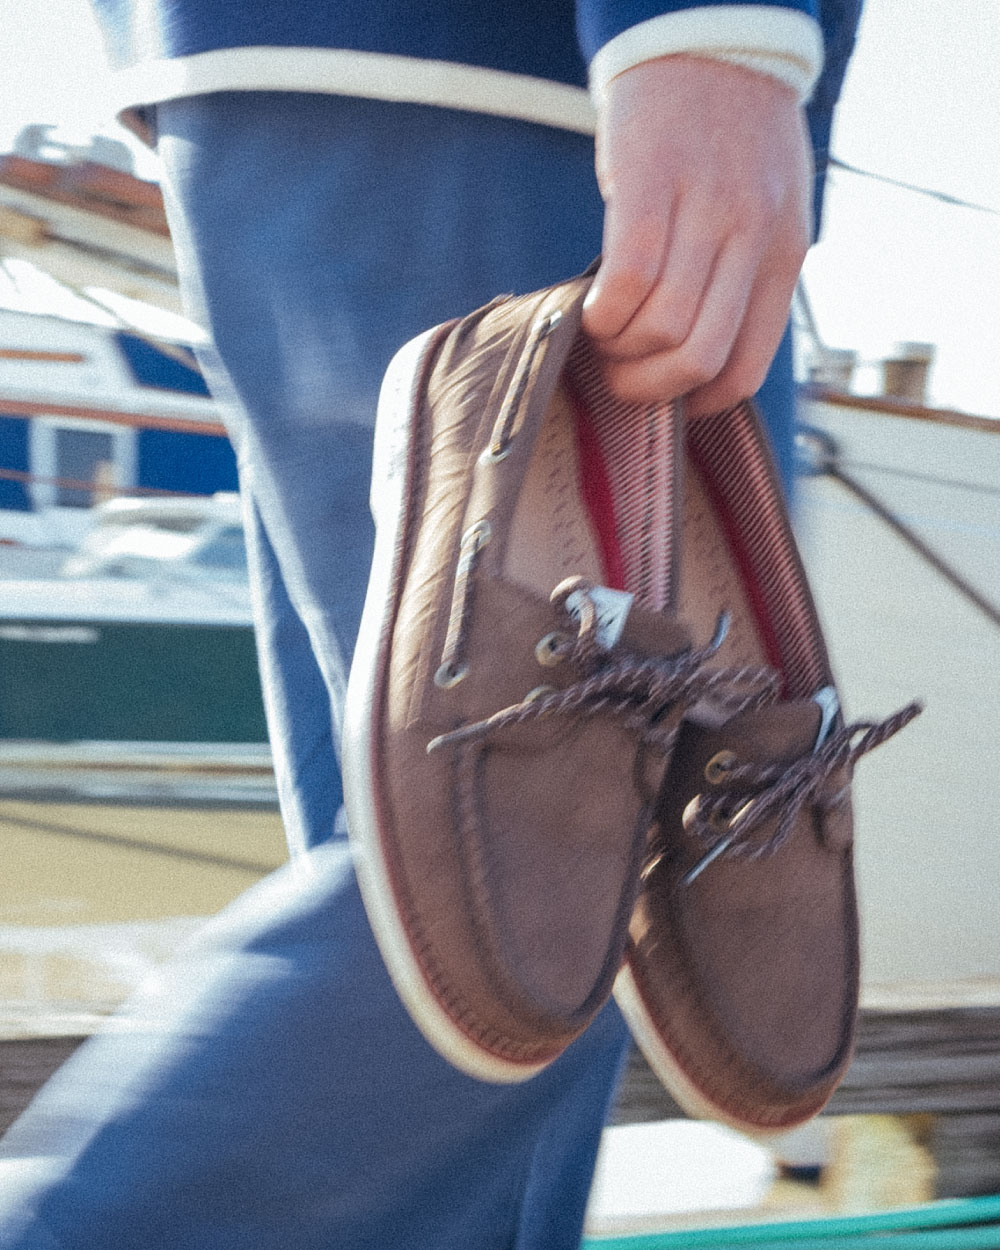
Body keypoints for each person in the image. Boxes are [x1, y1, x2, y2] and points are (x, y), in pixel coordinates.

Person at [0, 2, 862, 1246]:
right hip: (516, 77)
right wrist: (705, 31)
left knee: (477, 921)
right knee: (515, 900)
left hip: (288, 89)